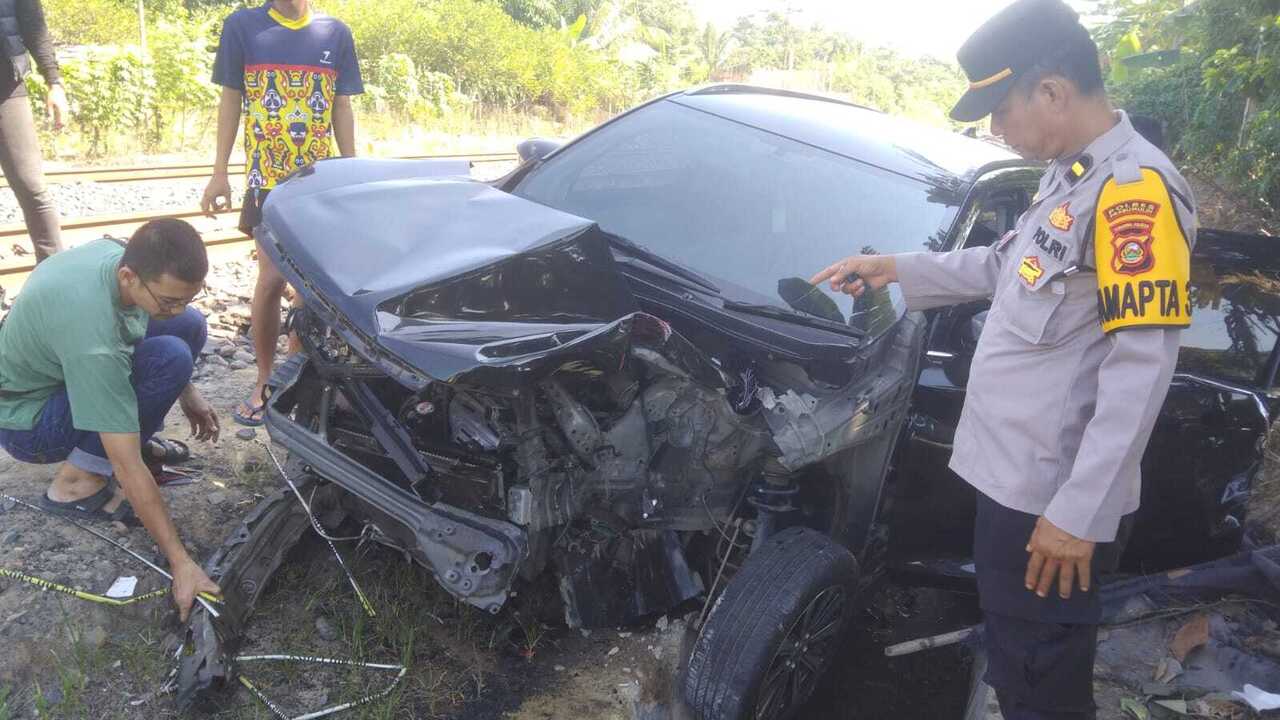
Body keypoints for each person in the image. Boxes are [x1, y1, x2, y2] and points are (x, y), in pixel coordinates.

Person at [810, 1, 1195, 717]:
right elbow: (1005, 263)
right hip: (1014, 478)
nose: (994, 130)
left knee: (1042, 675)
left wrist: (1078, 515)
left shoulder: (1131, 194)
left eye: (999, 110)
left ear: (1051, 91)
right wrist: (897, 266)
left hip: (1052, 497)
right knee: (1021, 655)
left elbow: (1142, 368)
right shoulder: (1071, 174)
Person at [0, 219, 222, 620]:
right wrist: (181, 563)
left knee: (188, 327)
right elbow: (127, 464)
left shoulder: (118, 255)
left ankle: (115, 434)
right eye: (169, 300)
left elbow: (162, 321)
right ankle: (77, 482)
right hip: (28, 421)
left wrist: (188, 391)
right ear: (128, 275)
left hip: (56, 375)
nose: (175, 308)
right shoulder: (94, 340)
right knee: (170, 356)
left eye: (186, 296)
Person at [199, 0, 362, 427]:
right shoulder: (243, 27)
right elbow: (230, 100)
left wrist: (353, 170)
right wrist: (219, 173)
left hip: (316, 183)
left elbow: (341, 107)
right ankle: (267, 379)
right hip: (265, 181)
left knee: (310, 288)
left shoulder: (335, 33)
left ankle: (299, 376)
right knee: (271, 279)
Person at [1, 0, 69, 262]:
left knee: (31, 185)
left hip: (6, 87)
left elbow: (34, 25)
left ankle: (53, 275)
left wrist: (54, 82)